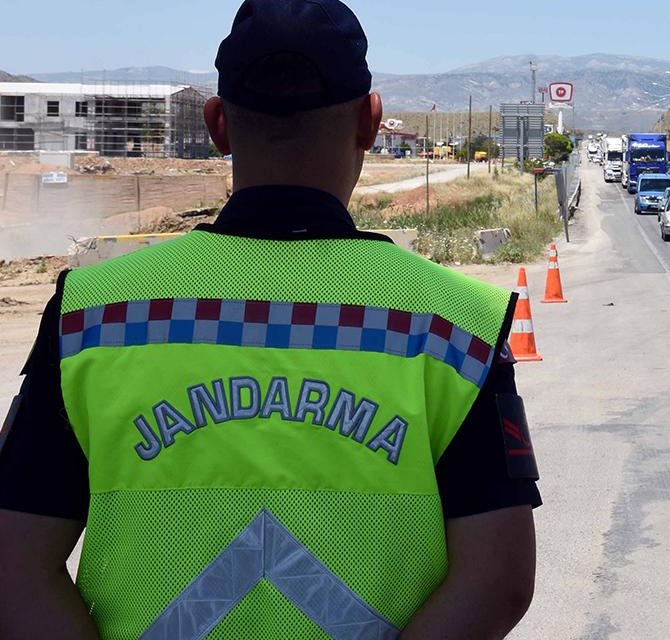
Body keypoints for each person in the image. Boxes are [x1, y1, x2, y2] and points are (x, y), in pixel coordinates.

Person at [0, 2, 540, 638]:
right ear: (370, 123)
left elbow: (15, 566)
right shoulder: (455, 325)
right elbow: (499, 579)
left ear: (216, 125)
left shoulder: (97, 312)